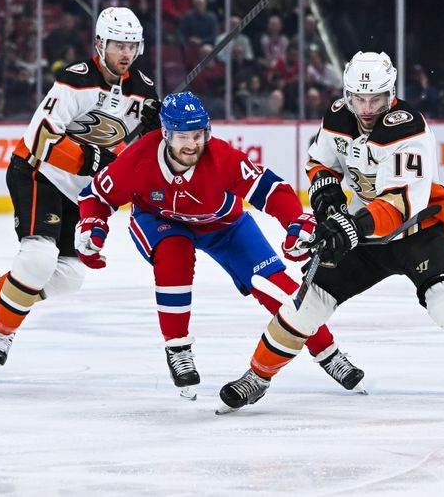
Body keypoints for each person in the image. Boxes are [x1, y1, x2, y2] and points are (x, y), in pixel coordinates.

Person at [218, 51, 444, 424]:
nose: (367, 108)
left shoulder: (409, 130)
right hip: (364, 234)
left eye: (376, 99)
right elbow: (319, 161)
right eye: (359, 98)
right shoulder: (339, 115)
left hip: (418, 231)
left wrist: (350, 227)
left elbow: (402, 203)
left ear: (392, 94)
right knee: (307, 304)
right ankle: (257, 377)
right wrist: (324, 187)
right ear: (347, 93)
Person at [75, 91, 365, 400]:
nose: (192, 144)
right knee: (175, 255)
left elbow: (273, 189)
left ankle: (329, 354)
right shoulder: (138, 159)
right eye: (183, 136)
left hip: (225, 226)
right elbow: (96, 195)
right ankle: (178, 348)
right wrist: (93, 225)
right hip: (161, 222)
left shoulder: (222, 158)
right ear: (165, 133)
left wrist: (295, 220)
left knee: (279, 289)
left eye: (198, 135)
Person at [0, 7, 162, 374]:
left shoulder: (143, 90)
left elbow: (131, 154)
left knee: (70, 276)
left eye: (132, 46)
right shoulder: (76, 79)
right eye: (119, 45)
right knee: (38, 258)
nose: (126, 54)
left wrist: (157, 130)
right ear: (100, 44)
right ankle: (2, 333)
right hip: (37, 173)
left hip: (76, 192)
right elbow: (41, 138)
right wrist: (93, 160)